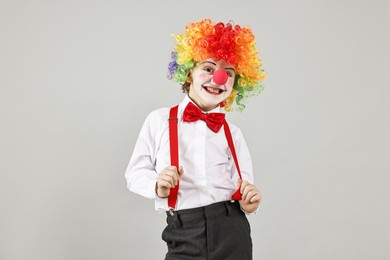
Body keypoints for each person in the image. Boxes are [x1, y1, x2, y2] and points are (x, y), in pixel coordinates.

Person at [125, 18, 266, 260]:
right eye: (208, 69)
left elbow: (244, 187)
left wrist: (249, 204)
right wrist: (157, 185)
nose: (218, 78)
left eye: (228, 73)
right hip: (183, 230)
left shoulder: (233, 134)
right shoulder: (159, 120)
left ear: (237, 83)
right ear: (189, 71)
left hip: (232, 229)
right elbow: (134, 173)